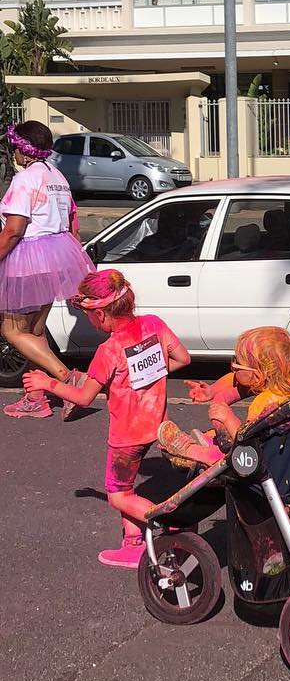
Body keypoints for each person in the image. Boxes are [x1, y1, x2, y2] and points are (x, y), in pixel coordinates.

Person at [24, 269, 191, 567]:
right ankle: (133, 544)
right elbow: (183, 359)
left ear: (100, 314)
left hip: (126, 434)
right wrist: (147, 375)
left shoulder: (109, 351)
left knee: (117, 495)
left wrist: (46, 383)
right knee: (126, 490)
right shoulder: (153, 324)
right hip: (157, 423)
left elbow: (83, 397)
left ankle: (169, 522)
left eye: (87, 314)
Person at [0, 120, 94, 420]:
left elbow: (14, 230)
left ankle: (66, 378)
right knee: (35, 331)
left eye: (15, 146)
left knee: (12, 329)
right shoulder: (58, 176)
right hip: (55, 255)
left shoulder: (25, 179)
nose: (13, 151)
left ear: (24, 150)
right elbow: (71, 223)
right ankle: (36, 396)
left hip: (27, 257)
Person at [157, 326, 290, 467]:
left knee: (218, 454)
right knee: (216, 436)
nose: (233, 366)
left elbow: (249, 446)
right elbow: (236, 380)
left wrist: (228, 418)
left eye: (237, 362)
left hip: (258, 461)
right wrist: (212, 391)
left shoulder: (264, 403)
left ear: (258, 376)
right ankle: (211, 441)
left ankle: (190, 449)